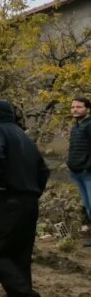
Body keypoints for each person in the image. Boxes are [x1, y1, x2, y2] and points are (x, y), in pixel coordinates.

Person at [0, 100, 50, 297]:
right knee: (19, 256)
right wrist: (32, 193)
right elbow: (43, 170)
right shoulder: (23, 135)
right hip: (27, 202)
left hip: (5, 201)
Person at [67, 97, 91, 233]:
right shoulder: (76, 127)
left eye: (79, 107)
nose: (75, 109)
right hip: (76, 172)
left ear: (88, 109)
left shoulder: (89, 125)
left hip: (87, 172)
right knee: (87, 205)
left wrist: (87, 167)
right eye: (73, 107)